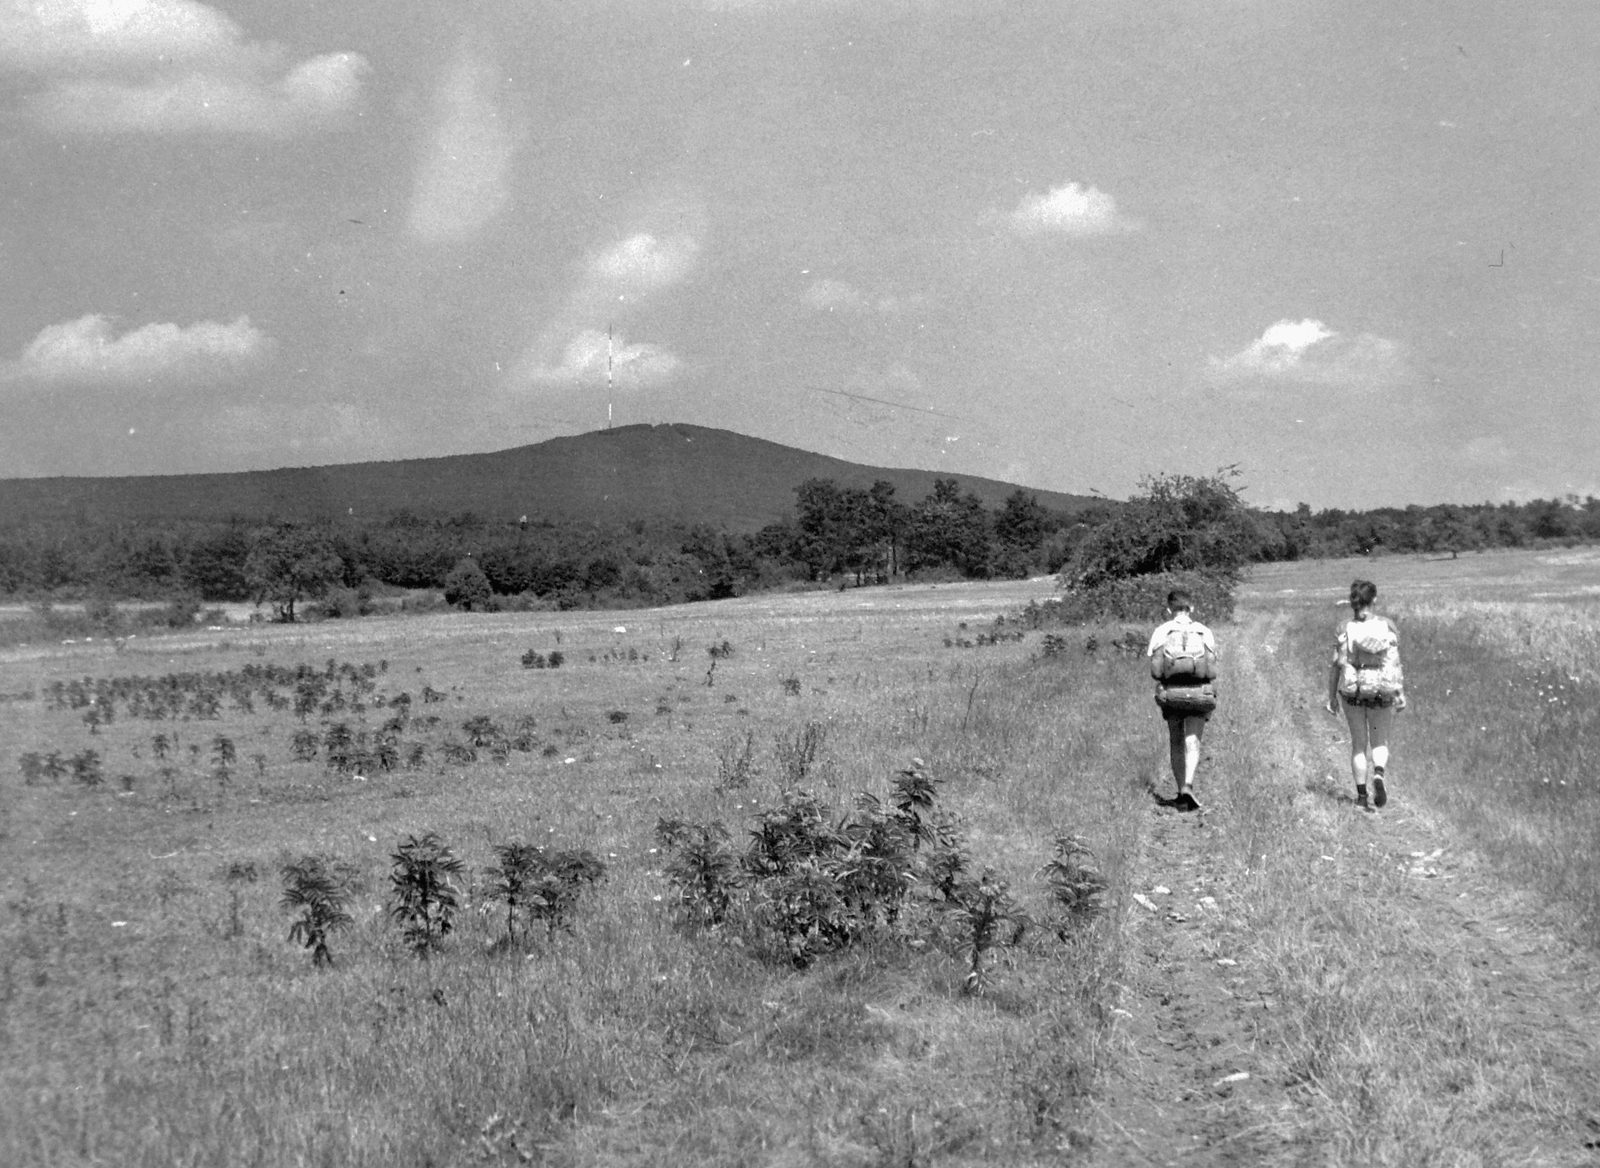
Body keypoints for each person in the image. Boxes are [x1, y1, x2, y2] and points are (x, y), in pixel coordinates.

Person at [1325, 579, 1407, 810]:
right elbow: (1394, 662)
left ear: (1353, 601)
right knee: (1379, 742)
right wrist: (1399, 691)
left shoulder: (1344, 628)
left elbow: (1336, 665)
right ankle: (1378, 774)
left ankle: (1361, 797)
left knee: (1359, 745)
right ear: (1374, 599)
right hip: (1382, 690)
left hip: (1353, 692)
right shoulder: (1388, 626)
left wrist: (1332, 696)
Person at [1147, 589, 1218, 812]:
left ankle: (1180, 792)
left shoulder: (1161, 632)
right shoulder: (1204, 632)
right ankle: (1188, 784)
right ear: (1191, 608)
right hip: (1199, 694)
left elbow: (1156, 671)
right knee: (1193, 740)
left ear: (1169, 609)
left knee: (1176, 741)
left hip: (1172, 695)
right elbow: (1212, 670)